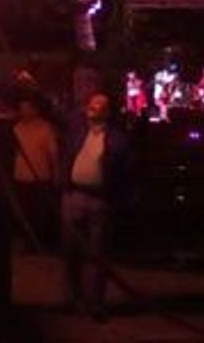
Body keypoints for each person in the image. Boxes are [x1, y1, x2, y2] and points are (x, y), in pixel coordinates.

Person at [60, 92, 131, 321]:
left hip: (100, 201)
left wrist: (120, 199)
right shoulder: (77, 133)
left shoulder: (118, 140)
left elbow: (126, 172)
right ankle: (73, 300)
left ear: (108, 112)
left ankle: (96, 303)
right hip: (74, 198)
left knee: (97, 254)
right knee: (71, 252)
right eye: (92, 103)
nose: (93, 107)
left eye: (99, 104)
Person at [13, 95, 59, 251]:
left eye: (26, 107)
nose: (22, 111)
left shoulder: (45, 128)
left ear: (35, 110)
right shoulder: (16, 128)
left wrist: (56, 174)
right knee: (24, 213)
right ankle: (27, 243)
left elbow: (53, 154)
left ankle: (39, 244)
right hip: (20, 178)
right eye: (21, 107)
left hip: (39, 178)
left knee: (38, 214)